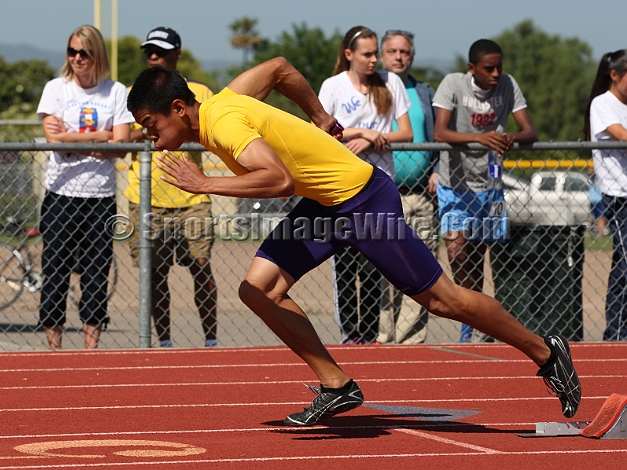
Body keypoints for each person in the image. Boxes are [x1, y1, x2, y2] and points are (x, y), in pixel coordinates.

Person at [127, 56, 580, 426]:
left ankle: (545, 351)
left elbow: (279, 179)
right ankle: (337, 385)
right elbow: (280, 68)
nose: (148, 134)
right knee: (258, 289)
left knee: (444, 301)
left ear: (180, 110)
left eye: (150, 122)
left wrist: (205, 185)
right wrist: (320, 115)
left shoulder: (224, 125)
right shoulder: (225, 99)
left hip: (362, 201)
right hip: (326, 204)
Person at [432, 39, 538, 343]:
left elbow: (530, 131)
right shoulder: (453, 83)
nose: (495, 74)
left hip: (489, 184)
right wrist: (481, 137)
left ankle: (476, 327)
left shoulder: (507, 85)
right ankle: (470, 316)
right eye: (488, 68)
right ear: (471, 68)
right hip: (455, 184)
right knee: (456, 250)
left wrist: (509, 138)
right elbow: (440, 132)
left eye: (499, 67)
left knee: (477, 256)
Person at [36, 25, 133, 349]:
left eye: (84, 53)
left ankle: (91, 350)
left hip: (100, 196)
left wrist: (71, 140)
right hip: (61, 193)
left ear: (97, 55)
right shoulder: (56, 89)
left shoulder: (115, 91)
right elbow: (53, 142)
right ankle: (55, 347)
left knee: (96, 272)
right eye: (72, 51)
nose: (77, 58)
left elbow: (122, 145)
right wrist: (101, 138)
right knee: (55, 270)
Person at [318, 26, 413, 344]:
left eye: (376, 53)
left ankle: (371, 336)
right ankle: (350, 335)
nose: (374, 60)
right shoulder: (333, 87)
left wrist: (371, 139)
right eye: (367, 54)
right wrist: (358, 131)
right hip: (342, 189)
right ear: (349, 55)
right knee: (345, 264)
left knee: (376, 264)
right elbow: (319, 135)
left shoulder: (391, 83)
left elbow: (406, 133)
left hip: (380, 186)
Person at [125, 27, 217, 348]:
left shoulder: (200, 92)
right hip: (147, 198)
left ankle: (212, 342)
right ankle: (164, 343)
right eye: (149, 51)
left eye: (161, 52)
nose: (154, 57)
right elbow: (123, 137)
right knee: (156, 274)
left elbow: (208, 128)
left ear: (177, 54)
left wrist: (158, 121)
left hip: (193, 197)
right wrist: (156, 124)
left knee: (201, 267)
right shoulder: (133, 93)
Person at [377, 29, 438, 344]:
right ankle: (385, 335)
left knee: (422, 268)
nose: (399, 57)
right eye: (393, 51)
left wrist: (437, 169)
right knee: (389, 270)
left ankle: (411, 340)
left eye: (405, 52)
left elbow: (437, 134)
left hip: (421, 196)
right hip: (384, 196)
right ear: (382, 55)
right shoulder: (372, 89)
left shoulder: (425, 92)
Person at [583, 49, 627, 341]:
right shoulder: (603, 103)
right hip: (618, 194)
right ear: (615, 75)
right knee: (625, 263)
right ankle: (616, 333)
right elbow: (621, 134)